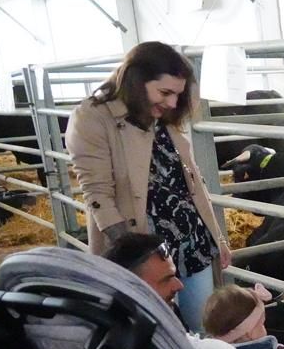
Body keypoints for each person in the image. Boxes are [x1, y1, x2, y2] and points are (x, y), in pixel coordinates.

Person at [65, 40, 231, 332]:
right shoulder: (93, 118)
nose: (171, 103)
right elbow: (97, 193)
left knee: (204, 328)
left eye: (177, 95)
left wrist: (217, 237)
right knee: (151, 335)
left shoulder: (164, 115)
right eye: (164, 92)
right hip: (141, 244)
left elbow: (191, 180)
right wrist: (132, 259)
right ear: (136, 80)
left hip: (191, 243)